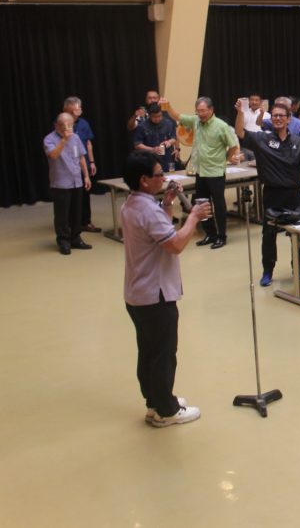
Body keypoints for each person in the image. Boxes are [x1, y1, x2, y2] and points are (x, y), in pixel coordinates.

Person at [120, 150, 212, 428]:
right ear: (144, 179)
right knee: (163, 354)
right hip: (155, 296)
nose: (164, 178)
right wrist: (193, 217)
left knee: (148, 351)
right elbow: (175, 244)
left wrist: (168, 203)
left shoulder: (132, 204)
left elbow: (158, 230)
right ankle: (166, 410)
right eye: (159, 174)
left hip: (137, 294)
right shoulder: (148, 211)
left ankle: (155, 402)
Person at [236, 101, 300, 287]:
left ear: (288, 119)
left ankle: (298, 267)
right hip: (272, 194)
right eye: (275, 115)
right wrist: (239, 112)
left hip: (294, 194)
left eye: (281, 115)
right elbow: (240, 132)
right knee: (269, 235)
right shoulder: (262, 139)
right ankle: (267, 271)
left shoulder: (298, 142)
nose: (277, 118)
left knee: (298, 233)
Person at [168, 97, 239, 249]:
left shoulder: (221, 126)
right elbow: (177, 116)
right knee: (202, 204)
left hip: (216, 172)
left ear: (211, 110)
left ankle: (222, 236)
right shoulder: (195, 121)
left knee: (218, 205)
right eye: (198, 111)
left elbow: (233, 146)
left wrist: (225, 159)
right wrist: (167, 107)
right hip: (200, 171)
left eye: (203, 111)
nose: (201, 114)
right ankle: (210, 233)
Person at [44, 112, 92, 255]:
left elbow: (81, 157)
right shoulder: (49, 139)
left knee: (76, 213)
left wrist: (86, 176)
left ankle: (75, 238)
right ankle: (64, 241)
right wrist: (64, 140)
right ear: (56, 125)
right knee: (62, 215)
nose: (68, 128)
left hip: (76, 180)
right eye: (64, 125)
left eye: (70, 125)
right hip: (60, 183)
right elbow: (53, 155)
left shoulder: (75, 137)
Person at [64, 96, 100, 233]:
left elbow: (88, 143)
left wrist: (92, 162)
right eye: (76, 109)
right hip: (68, 165)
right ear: (68, 109)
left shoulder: (84, 123)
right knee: (70, 196)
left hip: (83, 163)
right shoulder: (61, 123)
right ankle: (70, 224)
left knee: (85, 193)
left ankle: (86, 222)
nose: (79, 111)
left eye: (79, 108)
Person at [133, 103, 178, 172]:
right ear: (149, 115)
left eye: (159, 116)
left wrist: (169, 142)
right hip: (150, 160)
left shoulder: (168, 123)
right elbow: (137, 145)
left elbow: (174, 138)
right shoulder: (142, 126)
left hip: (167, 159)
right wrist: (152, 149)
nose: (157, 119)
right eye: (154, 117)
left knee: (170, 176)